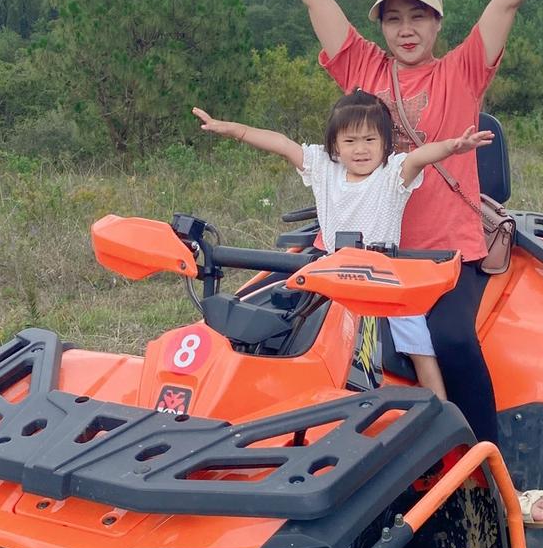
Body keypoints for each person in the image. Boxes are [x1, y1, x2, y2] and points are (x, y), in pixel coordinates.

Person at [248, 0, 543, 527]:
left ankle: (500, 481)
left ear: (436, 24)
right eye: (394, 16)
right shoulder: (363, 67)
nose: (406, 28)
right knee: (290, 333)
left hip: (442, 250)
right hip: (371, 247)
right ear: (380, 24)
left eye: (419, 17)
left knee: (451, 339)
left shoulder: (463, 69)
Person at [192, 92, 493, 400]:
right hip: (333, 279)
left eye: (369, 140)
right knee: (294, 331)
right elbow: (282, 144)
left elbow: (421, 156)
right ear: (334, 145)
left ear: (385, 144)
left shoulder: (393, 174)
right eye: (350, 142)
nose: (360, 150)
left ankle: (440, 413)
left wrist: (454, 146)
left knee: (419, 348)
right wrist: (235, 130)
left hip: (384, 281)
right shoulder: (324, 168)